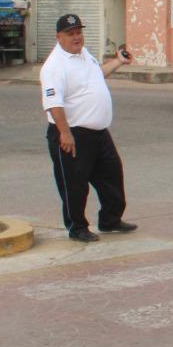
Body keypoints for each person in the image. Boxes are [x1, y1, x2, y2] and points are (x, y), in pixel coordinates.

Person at [40, 13, 137, 243]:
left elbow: (97, 75)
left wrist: (118, 61)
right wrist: (65, 132)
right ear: (59, 37)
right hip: (72, 134)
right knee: (75, 184)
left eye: (79, 32)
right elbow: (54, 103)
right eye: (71, 34)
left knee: (112, 176)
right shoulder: (54, 65)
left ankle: (110, 219)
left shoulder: (83, 55)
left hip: (99, 133)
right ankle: (77, 227)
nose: (77, 37)